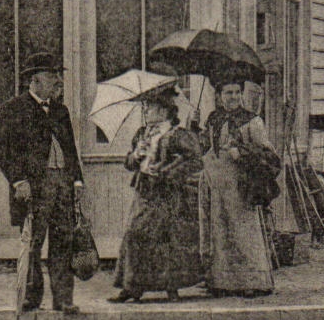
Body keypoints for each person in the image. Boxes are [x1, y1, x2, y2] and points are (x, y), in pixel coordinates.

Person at [0, 53, 85, 314]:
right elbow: (2, 149)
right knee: (33, 242)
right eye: (52, 75)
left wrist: (77, 180)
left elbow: (70, 149)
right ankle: (31, 298)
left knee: (63, 241)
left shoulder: (60, 110)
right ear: (34, 80)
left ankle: (63, 300)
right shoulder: (14, 108)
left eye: (58, 75)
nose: (58, 80)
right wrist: (18, 180)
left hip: (62, 185)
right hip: (34, 186)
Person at [110, 85, 204, 303]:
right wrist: (136, 154)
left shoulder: (178, 134)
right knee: (135, 234)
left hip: (169, 195)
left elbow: (195, 161)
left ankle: (171, 288)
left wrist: (166, 172)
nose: (146, 111)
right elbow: (129, 163)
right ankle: (131, 286)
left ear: (163, 111)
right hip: (145, 191)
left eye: (149, 107)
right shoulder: (142, 134)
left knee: (168, 238)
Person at [202, 76, 279, 297]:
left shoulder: (252, 121)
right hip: (217, 186)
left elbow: (270, 156)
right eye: (228, 93)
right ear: (219, 96)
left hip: (241, 186)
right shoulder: (213, 119)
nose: (233, 97)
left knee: (244, 232)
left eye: (237, 92)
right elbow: (205, 148)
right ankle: (223, 282)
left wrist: (242, 153)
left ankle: (252, 282)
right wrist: (195, 126)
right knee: (220, 232)